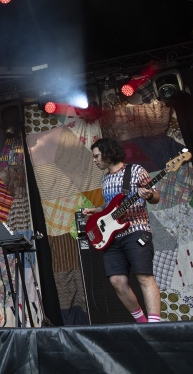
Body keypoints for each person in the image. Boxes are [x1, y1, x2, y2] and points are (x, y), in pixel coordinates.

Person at [83, 138, 161, 323]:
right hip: (113, 236)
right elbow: (112, 207)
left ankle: (156, 324)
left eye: (96, 156)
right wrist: (98, 210)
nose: (94, 160)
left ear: (108, 153)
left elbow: (156, 197)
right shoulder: (105, 178)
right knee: (117, 281)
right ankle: (142, 323)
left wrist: (149, 194)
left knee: (144, 276)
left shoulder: (135, 170)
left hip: (136, 230)